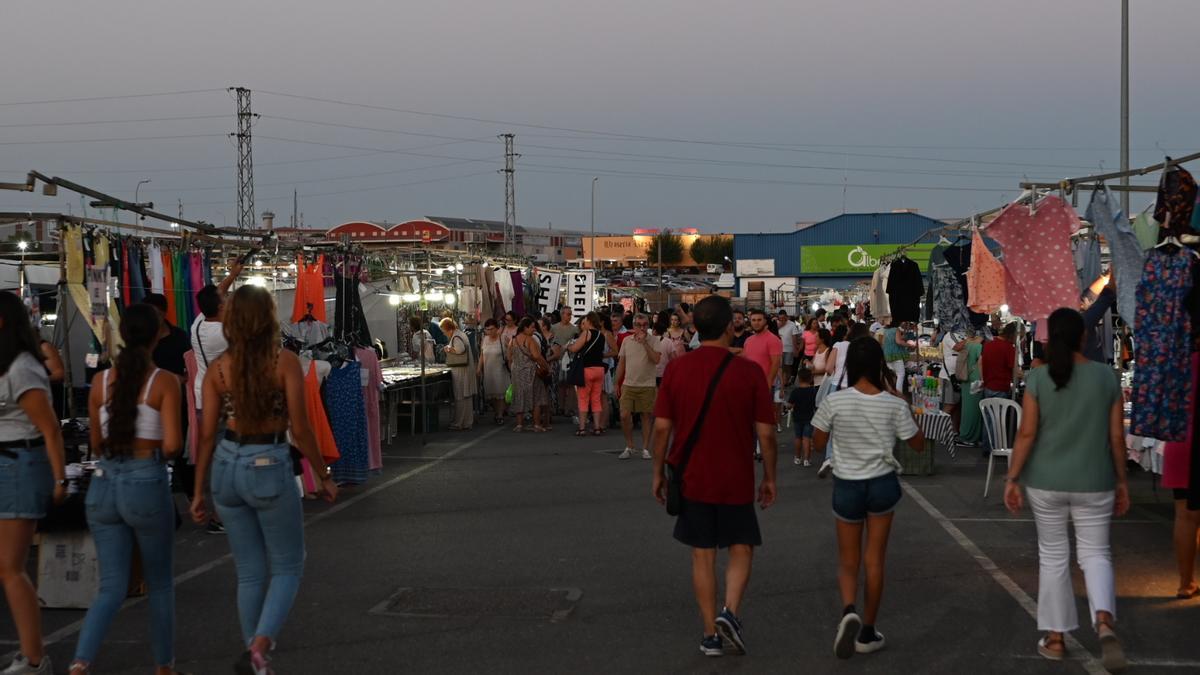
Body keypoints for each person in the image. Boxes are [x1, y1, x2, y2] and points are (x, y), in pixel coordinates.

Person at [190, 285, 337, 675]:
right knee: (289, 564)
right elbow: (302, 430)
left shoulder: (219, 367)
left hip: (226, 465)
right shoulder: (283, 361)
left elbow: (206, 434)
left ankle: (254, 658)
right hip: (268, 461)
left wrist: (198, 489)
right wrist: (322, 475)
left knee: (249, 571)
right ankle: (260, 645)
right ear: (268, 318)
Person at [650, 295, 777, 658]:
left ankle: (710, 634)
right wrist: (769, 477)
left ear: (695, 328)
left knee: (702, 555)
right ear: (729, 327)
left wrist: (657, 472)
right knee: (741, 545)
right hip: (735, 475)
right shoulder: (749, 371)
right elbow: (766, 434)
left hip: (691, 476)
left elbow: (662, 428)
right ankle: (730, 612)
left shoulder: (677, 370)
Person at [1003, 308, 1129, 671]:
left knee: (1054, 558)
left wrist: (1012, 478)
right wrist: (1122, 481)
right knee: (1096, 553)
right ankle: (1104, 620)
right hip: (1096, 480)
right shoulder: (1107, 377)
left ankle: (1056, 638)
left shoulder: (1039, 378)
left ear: (1049, 339)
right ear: (1083, 337)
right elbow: (1117, 438)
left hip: (1046, 482)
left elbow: (1026, 434)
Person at [71, 304, 183, 675]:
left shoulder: (101, 382)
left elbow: (97, 441)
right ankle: (164, 668)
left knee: (110, 586)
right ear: (156, 335)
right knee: (161, 584)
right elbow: (172, 446)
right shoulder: (164, 381)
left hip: (103, 484)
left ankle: (80, 663)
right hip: (145, 481)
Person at [811, 337, 923, 659]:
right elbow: (917, 443)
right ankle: (868, 631)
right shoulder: (893, 403)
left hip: (847, 484)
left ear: (850, 366)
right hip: (882, 484)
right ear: (879, 365)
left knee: (848, 560)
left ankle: (849, 610)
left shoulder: (836, 401)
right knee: (875, 560)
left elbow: (819, 444)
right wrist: (899, 399)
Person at [0, 292, 67, 675]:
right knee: (7, 566)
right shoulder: (9, 364)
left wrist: (60, 478)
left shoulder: (24, 367)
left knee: (10, 566)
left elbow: (49, 429)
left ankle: (35, 657)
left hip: (20, 463)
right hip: (8, 462)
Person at [615, 313, 661, 460]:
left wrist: (645, 343)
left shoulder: (654, 340)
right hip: (629, 383)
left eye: (645, 325)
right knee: (624, 415)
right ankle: (630, 446)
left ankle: (646, 448)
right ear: (634, 326)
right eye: (639, 325)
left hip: (647, 384)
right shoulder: (627, 341)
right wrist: (617, 382)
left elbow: (656, 359)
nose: (642, 328)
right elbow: (621, 363)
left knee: (646, 416)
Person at [568, 312, 613, 436]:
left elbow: (575, 348)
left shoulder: (586, 333)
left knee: (583, 399)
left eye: (586, 320)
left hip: (586, 369)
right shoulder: (601, 335)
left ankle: (582, 428)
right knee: (596, 399)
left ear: (590, 321)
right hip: (599, 370)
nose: (584, 322)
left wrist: (568, 347)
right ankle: (597, 427)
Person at [508, 317, 551, 433]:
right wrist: (546, 366)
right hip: (531, 372)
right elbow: (537, 357)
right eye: (532, 327)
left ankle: (519, 424)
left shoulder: (513, 340)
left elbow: (509, 358)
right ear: (525, 327)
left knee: (519, 396)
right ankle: (537, 424)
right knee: (536, 397)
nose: (534, 329)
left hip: (517, 372)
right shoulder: (529, 340)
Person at [441, 317, 477, 431]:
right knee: (465, 397)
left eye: (444, 330)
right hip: (464, 369)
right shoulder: (461, 334)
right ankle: (467, 421)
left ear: (448, 329)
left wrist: (448, 349)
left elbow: (459, 350)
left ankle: (459, 422)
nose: (444, 333)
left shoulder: (456, 337)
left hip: (460, 370)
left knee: (460, 396)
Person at [143, 293, 189, 378]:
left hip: (176, 388)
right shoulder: (141, 338)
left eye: (155, 314)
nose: (151, 319)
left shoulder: (180, 336)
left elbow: (190, 366)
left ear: (163, 313)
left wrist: (181, 379)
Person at [476, 318, 509, 425]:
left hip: (500, 370)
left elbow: (511, 352)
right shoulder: (484, 339)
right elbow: (482, 354)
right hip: (488, 370)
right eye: (487, 329)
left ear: (497, 328)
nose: (489, 332)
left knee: (500, 394)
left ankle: (499, 414)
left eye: (491, 329)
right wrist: (479, 368)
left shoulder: (503, 339)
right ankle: (497, 412)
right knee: (490, 395)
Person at [957, 333, 985, 447]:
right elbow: (980, 363)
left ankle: (964, 434)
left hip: (965, 379)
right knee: (974, 410)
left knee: (966, 409)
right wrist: (983, 379)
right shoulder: (979, 347)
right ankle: (971, 437)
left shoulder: (966, 345)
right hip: (976, 380)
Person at [551, 311, 580, 421]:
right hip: (556, 359)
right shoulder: (554, 327)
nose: (569, 316)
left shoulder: (574, 329)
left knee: (569, 384)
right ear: (562, 315)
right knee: (559, 384)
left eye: (570, 314)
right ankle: (560, 407)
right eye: (567, 314)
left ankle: (568, 408)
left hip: (569, 360)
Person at [787, 368, 818, 466]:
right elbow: (815, 405)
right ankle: (807, 459)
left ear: (799, 379)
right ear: (811, 379)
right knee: (807, 438)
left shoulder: (795, 392)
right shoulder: (813, 391)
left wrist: (789, 406)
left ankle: (797, 457)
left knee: (798, 437)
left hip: (797, 417)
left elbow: (789, 405)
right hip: (809, 417)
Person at [536, 317, 562, 430]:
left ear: (545, 326)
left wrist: (546, 359)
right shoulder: (539, 337)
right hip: (542, 366)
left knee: (551, 390)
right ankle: (543, 414)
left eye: (539, 324)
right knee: (542, 390)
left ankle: (549, 414)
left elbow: (557, 353)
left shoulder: (553, 337)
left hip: (551, 366)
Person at [939, 330, 965, 433]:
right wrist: (970, 340)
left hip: (958, 376)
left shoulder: (962, 335)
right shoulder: (950, 335)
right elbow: (957, 347)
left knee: (957, 406)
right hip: (948, 376)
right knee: (949, 405)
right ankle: (940, 431)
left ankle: (954, 431)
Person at [881, 321, 912, 393]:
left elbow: (883, 343)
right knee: (901, 374)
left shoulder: (886, 331)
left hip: (887, 355)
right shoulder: (896, 330)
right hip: (896, 355)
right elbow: (898, 341)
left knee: (889, 376)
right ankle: (898, 393)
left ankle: (888, 392)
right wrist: (909, 345)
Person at [776, 310, 800, 386]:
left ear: (787, 316)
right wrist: (779, 325)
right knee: (781, 366)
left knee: (788, 366)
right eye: (780, 318)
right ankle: (783, 381)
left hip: (789, 349)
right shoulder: (777, 324)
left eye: (783, 318)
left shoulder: (792, 324)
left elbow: (794, 337)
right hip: (779, 349)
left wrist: (795, 349)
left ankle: (787, 380)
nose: (782, 320)